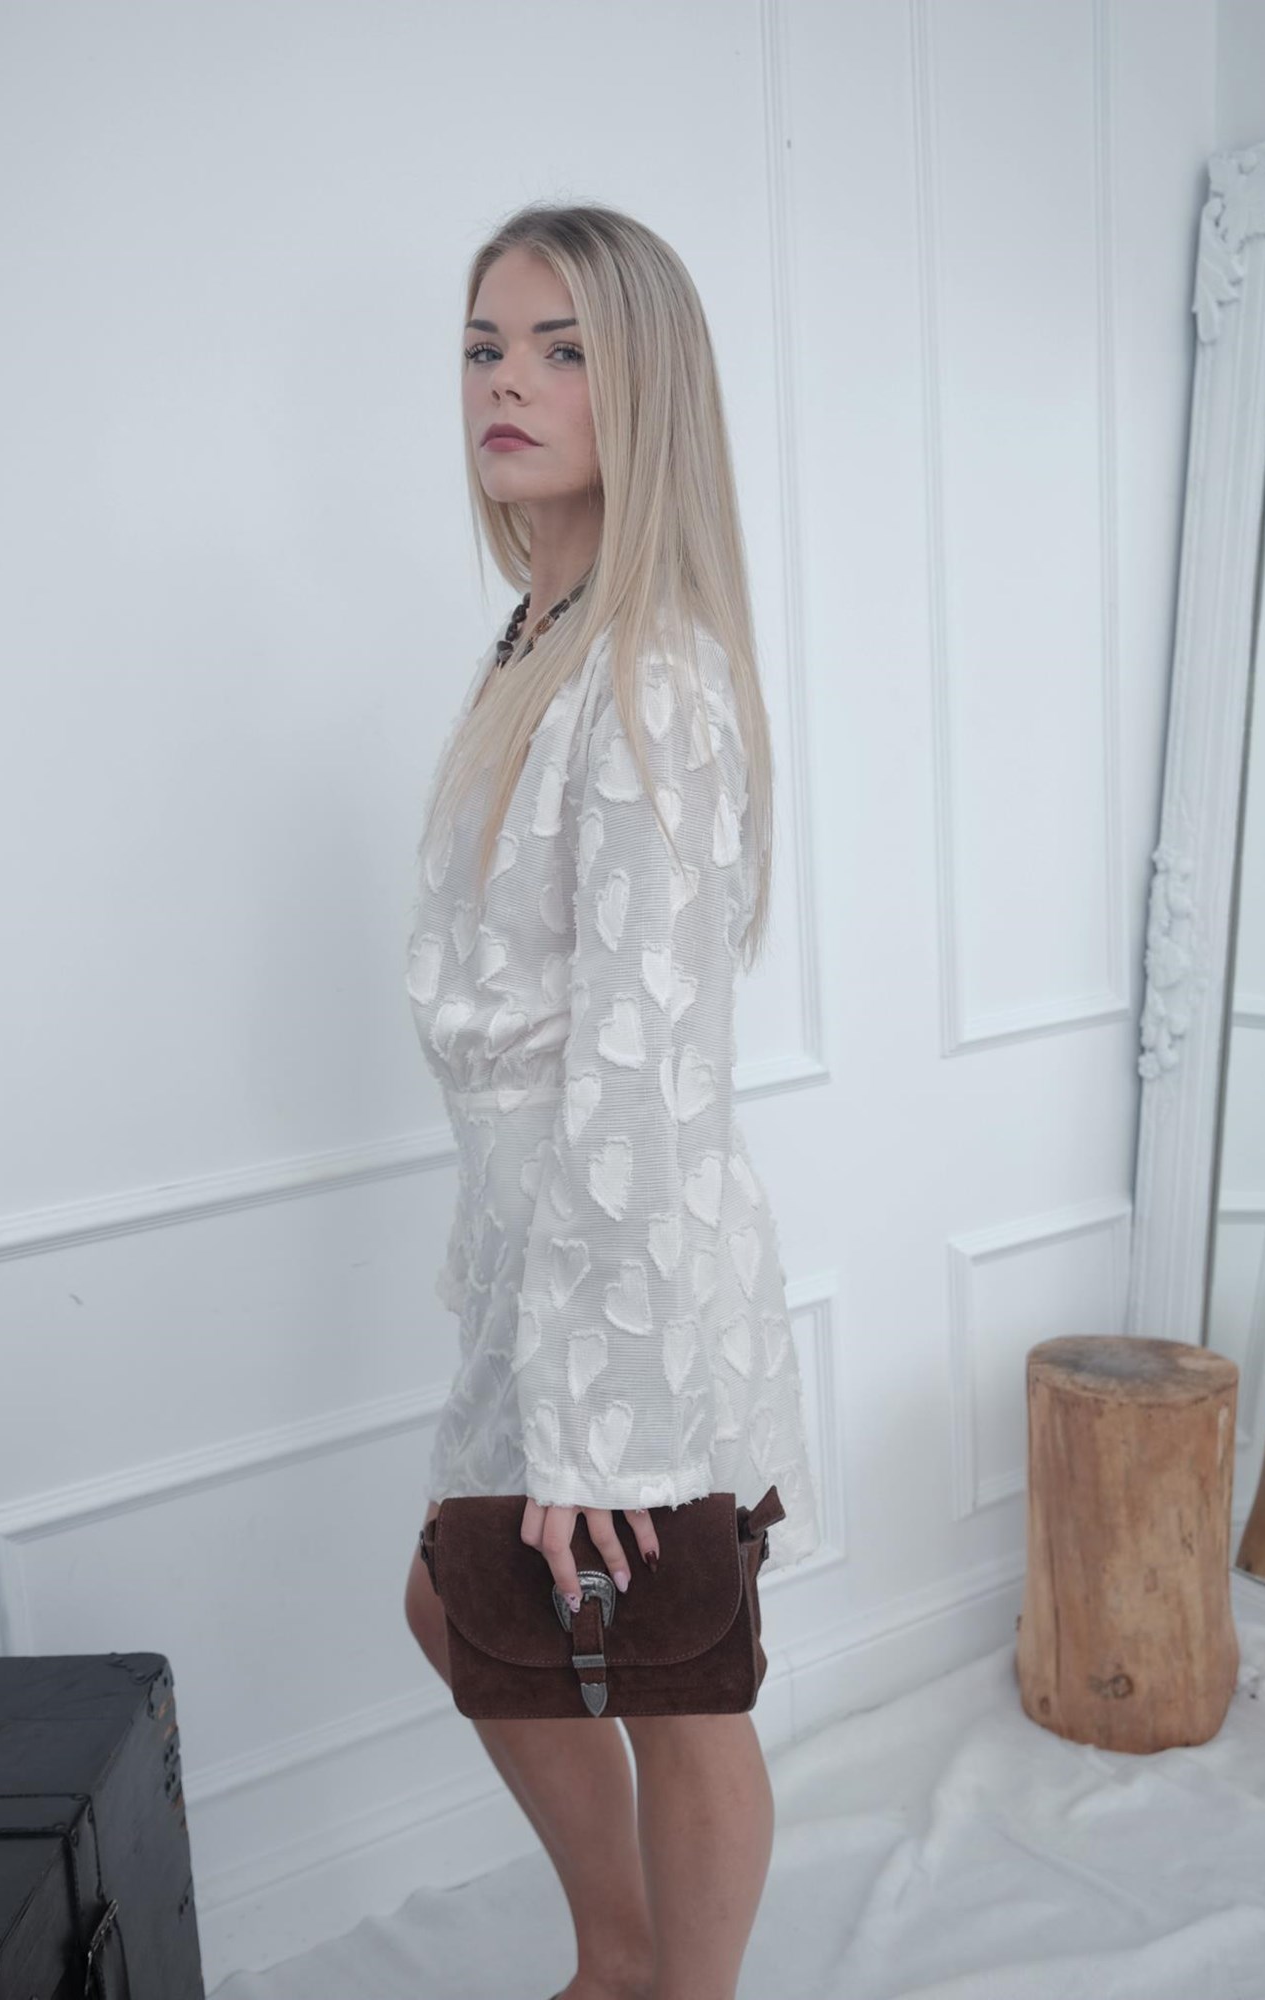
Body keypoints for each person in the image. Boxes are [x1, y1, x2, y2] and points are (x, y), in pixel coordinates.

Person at [402, 201, 819, 2000]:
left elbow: (640, 1069)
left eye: (563, 350)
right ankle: (621, 1956)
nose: (508, 382)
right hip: (536, 1243)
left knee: (676, 1677)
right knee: (466, 1607)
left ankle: (668, 1986)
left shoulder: (645, 671)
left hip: (620, 1255)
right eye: (486, 346)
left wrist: (587, 1423)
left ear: (643, 387)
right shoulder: (538, 633)